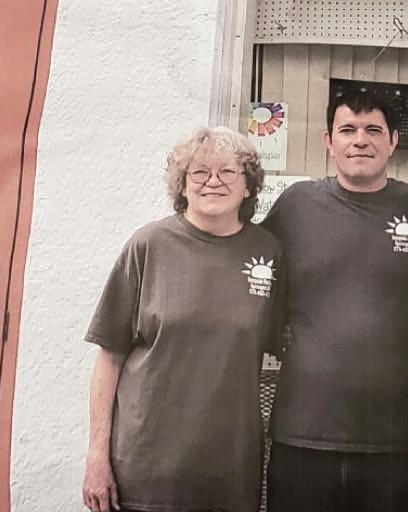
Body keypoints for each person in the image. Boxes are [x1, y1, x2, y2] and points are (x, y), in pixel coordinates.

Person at [82, 126, 284, 512]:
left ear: (248, 186)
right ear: (182, 185)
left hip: (229, 469)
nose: (213, 181)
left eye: (228, 171)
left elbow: (280, 347)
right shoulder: (148, 246)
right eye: (200, 172)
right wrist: (96, 455)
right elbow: (109, 358)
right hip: (145, 466)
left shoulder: (269, 253)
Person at [262, 89, 408, 512]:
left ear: (392, 142)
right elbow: (250, 275)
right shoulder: (296, 206)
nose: (360, 140)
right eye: (348, 130)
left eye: (373, 130)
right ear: (329, 141)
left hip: (395, 444)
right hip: (303, 437)